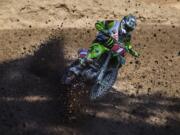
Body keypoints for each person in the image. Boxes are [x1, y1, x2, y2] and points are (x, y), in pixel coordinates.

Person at [71, 14, 140, 75]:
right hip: (101, 43)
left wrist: (133, 51)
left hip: (113, 49)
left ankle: (107, 73)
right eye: (127, 27)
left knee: (120, 58)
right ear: (123, 22)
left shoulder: (128, 36)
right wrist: (103, 31)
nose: (127, 30)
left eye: (129, 29)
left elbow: (128, 45)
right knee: (95, 53)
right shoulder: (113, 23)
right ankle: (79, 64)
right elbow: (99, 24)